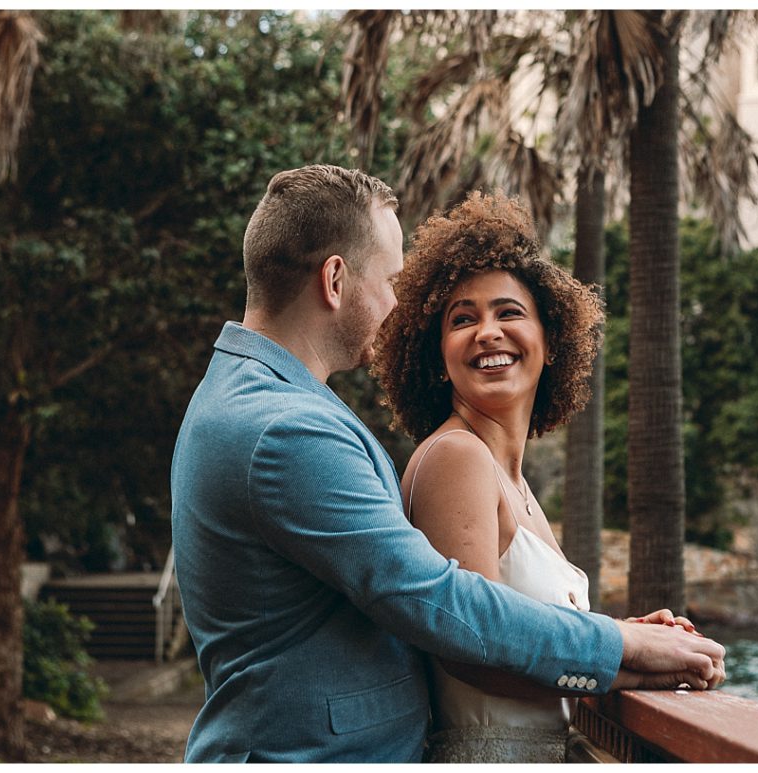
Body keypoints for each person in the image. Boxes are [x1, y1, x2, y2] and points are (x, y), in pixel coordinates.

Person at [170, 164, 725, 763]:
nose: (394, 304)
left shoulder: (254, 399)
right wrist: (620, 648)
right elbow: (435, 600)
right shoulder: (285, 429)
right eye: (389, 281)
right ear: (335, 280)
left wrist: (612, 639)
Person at [372, 190, 710, 762]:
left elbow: (529, 632)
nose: (487, 332)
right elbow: (471, 649)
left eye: (509, 312)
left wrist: (632, 636)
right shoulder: (456, 458)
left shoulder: (513, 480)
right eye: (462, 319)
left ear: (550, 341)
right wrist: (628, 668)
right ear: (437, 355)